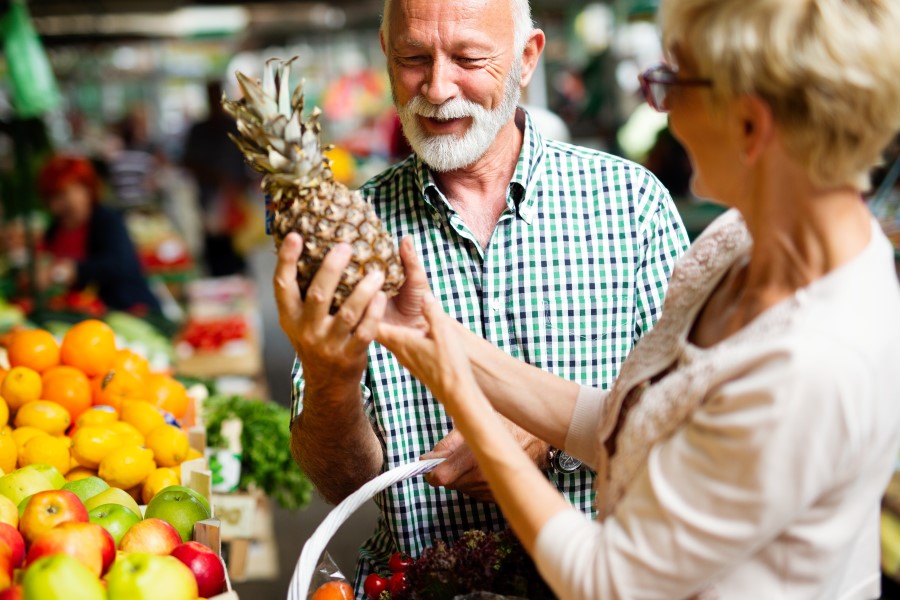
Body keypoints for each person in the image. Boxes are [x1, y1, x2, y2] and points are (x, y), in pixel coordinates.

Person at [375, 0, 900, 598]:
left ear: (751, 126)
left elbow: (609, 581)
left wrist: (462, 397)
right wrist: (437, 335)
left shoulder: (814, 358)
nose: (662, 107)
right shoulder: (738, 240)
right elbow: (638, 423)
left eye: (674, 81)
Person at [276, 0, 689, 588]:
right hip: (417, 581)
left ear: (527, 58)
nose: (438, 88)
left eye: (468, 58)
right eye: (413, 58)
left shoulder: (631, 206)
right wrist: (328, 380)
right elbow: (342, 485)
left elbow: (685, 440)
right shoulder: (348, 235)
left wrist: (553, 441)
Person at [35, 155, 161, 314]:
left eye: (63, 194)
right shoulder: (54, 229)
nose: (57, 206)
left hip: (126, 310)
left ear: (86, 189)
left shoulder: (107, 221)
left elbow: (119, 265)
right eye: (51, 198)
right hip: (78, 315)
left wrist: (72, 271)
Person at [182, 81, 249, 277]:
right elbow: (187, 161)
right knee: (214, 247)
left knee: (237, 247)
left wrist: (239, 184)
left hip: (234, 199)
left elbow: (247, 161)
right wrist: (212, 175)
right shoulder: (199, 129)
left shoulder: (234, 126)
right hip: (208, 198)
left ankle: (238, 279)